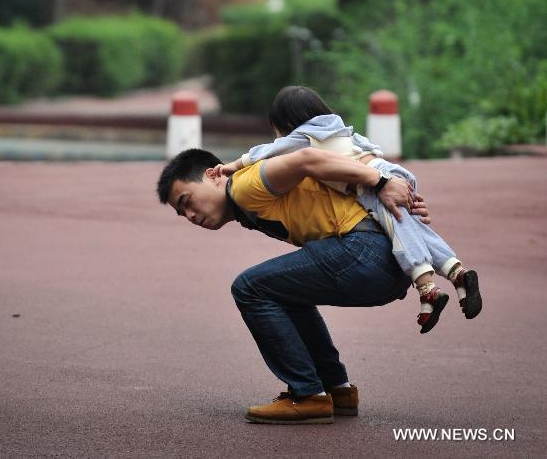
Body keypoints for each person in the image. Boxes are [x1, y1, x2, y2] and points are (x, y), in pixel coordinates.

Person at [157, 134, 430, 424]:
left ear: (212, 175)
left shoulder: (245, 184)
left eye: (187, 201)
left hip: (368, 253)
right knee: (284, 289)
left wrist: (384, 182)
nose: (189, 214)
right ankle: (335, 389)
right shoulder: (244, 201)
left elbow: (306, 158)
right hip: (388, 260)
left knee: (249, 287)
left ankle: (308, 395)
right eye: (181, 212)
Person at [216, 85, 482, 334]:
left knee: (398, 227)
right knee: (413, 226)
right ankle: (456, 272)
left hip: (376, 179)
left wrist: (234, 165)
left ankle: (427, 289)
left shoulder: (305, 136)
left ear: (287, 123)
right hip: (388, 170)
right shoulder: (338, 129)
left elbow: (270, 151)